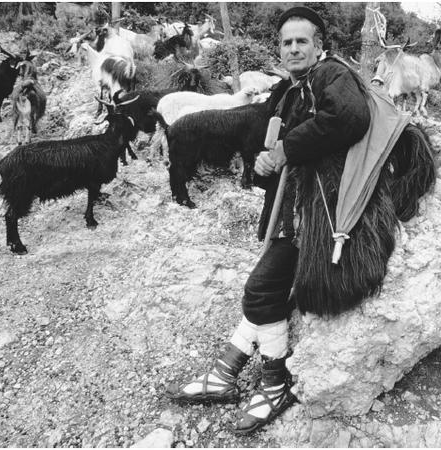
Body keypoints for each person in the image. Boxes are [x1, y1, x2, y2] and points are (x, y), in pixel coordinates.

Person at [165, 6, 373, 435]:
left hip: (317, 213)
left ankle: (274, 383)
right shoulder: (290, 89)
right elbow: (270, 137)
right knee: (270, 292)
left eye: (302, 40)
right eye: (286, 42)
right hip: (290, 207)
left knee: (260, 290)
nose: (293, 48)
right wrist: (265, 160)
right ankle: (227, 370)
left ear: (320, 46)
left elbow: (350, 117)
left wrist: (285, 150)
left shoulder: (332, 76)